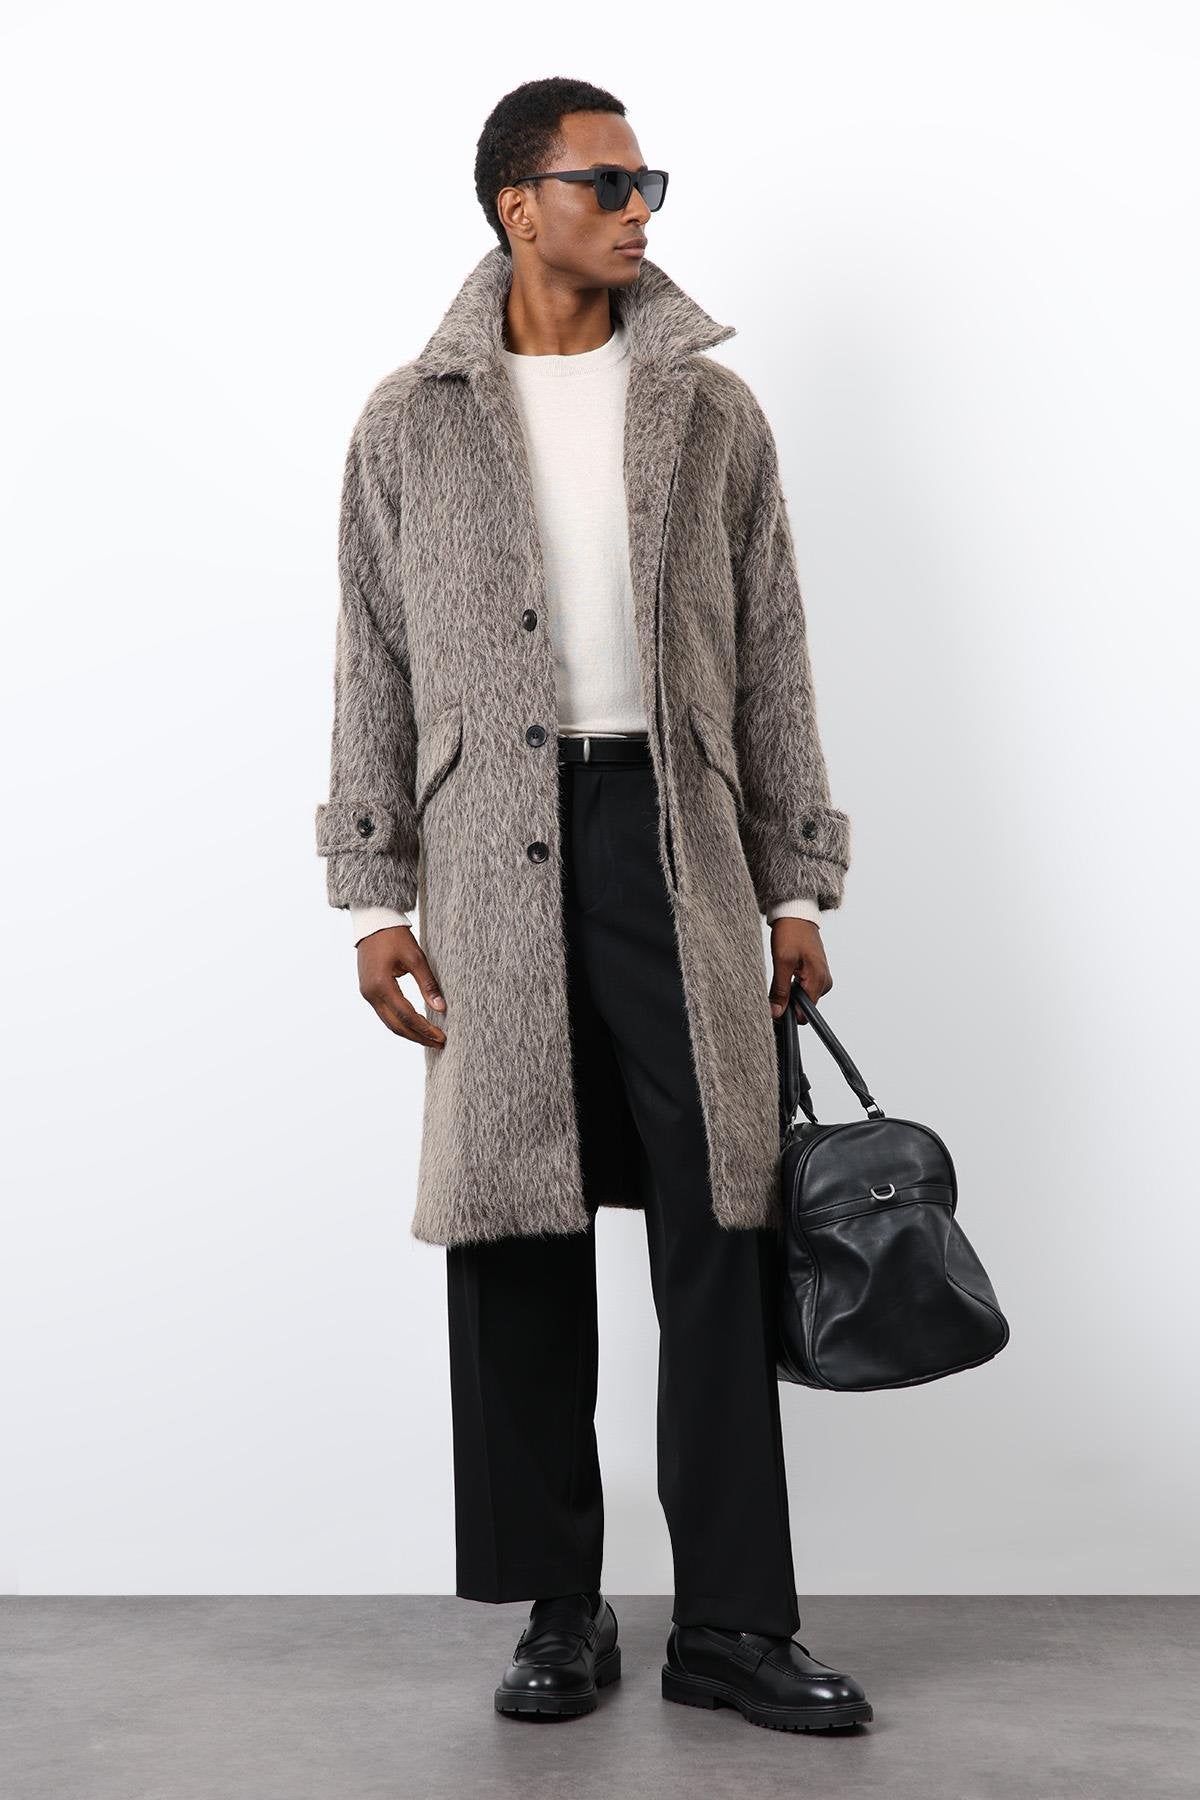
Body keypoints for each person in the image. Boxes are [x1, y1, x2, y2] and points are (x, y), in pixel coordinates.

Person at [315, 76, 871, 1732]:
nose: (642, 209)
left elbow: (771, 652)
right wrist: (373, 895)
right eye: (609, 182)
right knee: (518, 1223)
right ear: (519, 205)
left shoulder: (712, 411)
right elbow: (372, 660)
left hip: (675, 840)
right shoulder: (408, 420)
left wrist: (795, 881)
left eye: (648, 184)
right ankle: (558, 1609)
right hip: (487, 846)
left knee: (721, 1220)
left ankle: (734, 1624)